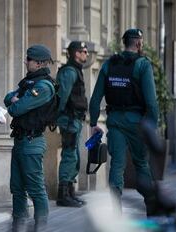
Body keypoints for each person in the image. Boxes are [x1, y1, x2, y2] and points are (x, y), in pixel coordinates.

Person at [89, 28, 159, 215]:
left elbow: (95, 99)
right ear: (138, 43)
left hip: (115, 121)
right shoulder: (143, 65)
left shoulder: (109, 64)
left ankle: (115, 211)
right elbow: (152, 102)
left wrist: (93, 123)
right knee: (141, 164)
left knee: (117, 165)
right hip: (137, 122)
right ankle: (150, 206)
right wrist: (153, 127)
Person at [4, 44, 56, 231]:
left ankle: (40, 226)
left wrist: (15, 101)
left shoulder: (43, 86)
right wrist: (15, 99)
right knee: (17, 188)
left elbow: (16, 108)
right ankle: (19, 224)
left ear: (40, 63)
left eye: (29, 59)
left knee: (35, 189)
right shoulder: (29, 82)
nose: (25, 61)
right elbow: (8, 97)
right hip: (21, 141)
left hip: (32, 142)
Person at [56, 41, 89, 207]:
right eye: (84, 51)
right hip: (69, 120)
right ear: (76, 53)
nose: (86, 54)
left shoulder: (75, 70)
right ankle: (63, 195)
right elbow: (62, 96)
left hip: (74, 120)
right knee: (69, 156)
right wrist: (57, 117)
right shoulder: (69, 71)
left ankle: (70, 192)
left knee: (74, 157)